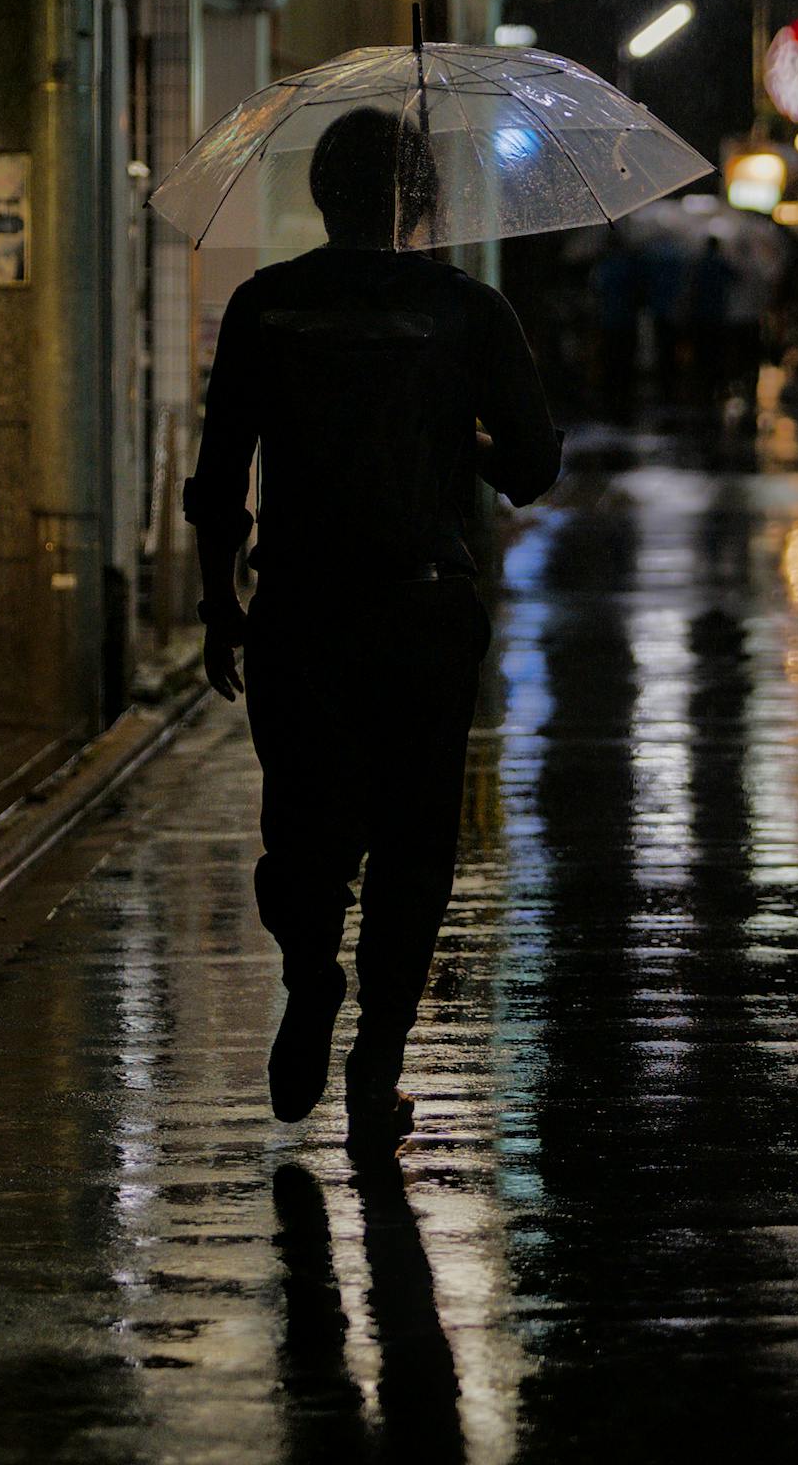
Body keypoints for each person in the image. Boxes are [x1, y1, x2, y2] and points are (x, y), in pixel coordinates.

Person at [183, 106, 561, 1155]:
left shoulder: (267, 308)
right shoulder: (468, 312)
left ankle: (312, 975)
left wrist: (223, 608)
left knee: (302, 829)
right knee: (413, 846)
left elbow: (220, 483)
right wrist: (464, 432)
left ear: (323, 196)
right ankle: (376, 1069)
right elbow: (533, 467)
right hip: (423, 614)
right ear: (422, 201)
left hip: (299, 611)